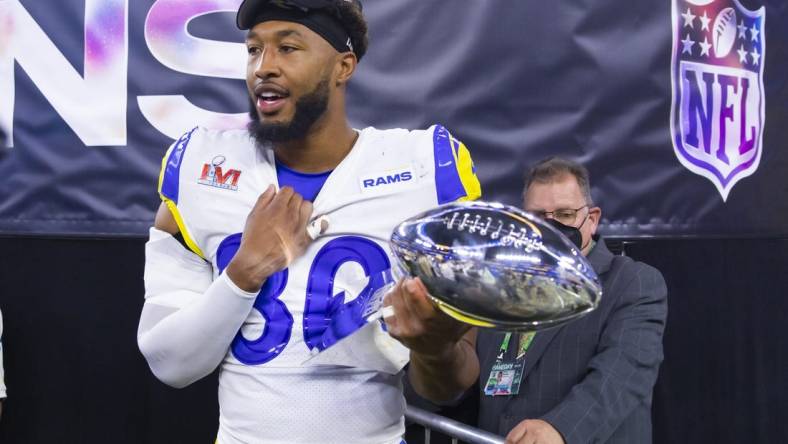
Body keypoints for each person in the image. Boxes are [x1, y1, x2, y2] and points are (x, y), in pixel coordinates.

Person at [136, 0, 481, 443]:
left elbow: (453, 384)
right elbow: (171, 364)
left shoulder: (427, 172)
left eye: (288, 48)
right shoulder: (200, 169)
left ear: (343, 66)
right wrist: (245, 271)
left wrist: (433, 348)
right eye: (254, 50)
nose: (264, 67)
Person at [388, 157, 668, 443]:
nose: (553, 227)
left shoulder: (632, 282)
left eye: (565, 214)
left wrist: (560, 429)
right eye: (538, 218)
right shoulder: (492, 287)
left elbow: (622, 375)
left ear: (592, 219)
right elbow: (455, 382)